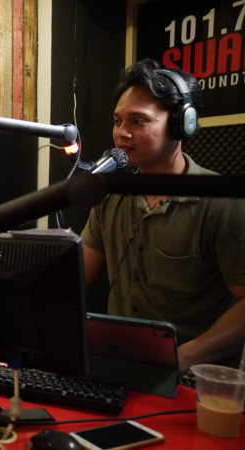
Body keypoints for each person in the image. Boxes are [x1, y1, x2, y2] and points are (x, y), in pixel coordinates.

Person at [81, 59, 245, 372]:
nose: (122, 134)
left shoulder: (222, 203)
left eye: (138, 121)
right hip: (119, 365)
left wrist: (183, 357)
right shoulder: (110, 197)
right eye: (117, 121)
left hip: (191, 376)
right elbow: (77, 278)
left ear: (182, 124)